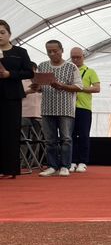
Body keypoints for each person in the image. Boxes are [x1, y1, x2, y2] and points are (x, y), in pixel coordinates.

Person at [36, 40, 83, 177]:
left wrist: (62, 86)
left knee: (66, 138)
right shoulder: (42, 66)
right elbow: (40, 86)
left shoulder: (71, 67)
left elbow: (79, 86)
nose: (52, 53)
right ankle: (52, 166)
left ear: (62, 50)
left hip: (66, 108)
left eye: (55, 51)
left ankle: (65, 166)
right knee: (50, 140)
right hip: (47, 108)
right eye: (49, 51)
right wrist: (37, 87)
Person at [0, 19, 34, 178]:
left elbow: (29, 72)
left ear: (9, 34)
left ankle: (10, 169)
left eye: (2, 32)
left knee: (11, 131)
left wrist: (10, 74)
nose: (0, 36)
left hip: (12, 96)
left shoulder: (20, 52)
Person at [69, 47, 100, 173]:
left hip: (84, 108)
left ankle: (82, 161)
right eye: (73, 57)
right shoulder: (67, 70)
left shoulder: (90, 71)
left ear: (83, 57)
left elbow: (97, 88)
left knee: (83, 135)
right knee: (69, 136)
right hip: (68, 108)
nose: (76, 60)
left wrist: (80, 88)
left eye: (78, 57)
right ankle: (71, 161)